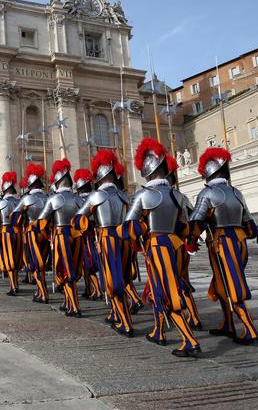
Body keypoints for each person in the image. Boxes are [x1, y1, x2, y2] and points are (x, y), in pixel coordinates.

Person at [123, 138, 201, 357]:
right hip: (176, 246)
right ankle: (158, 330)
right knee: (159, 288)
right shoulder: (178, 195)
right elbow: (189, 226)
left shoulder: (143, 195)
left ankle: (189, 340)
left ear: (147, 170)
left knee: (168, 291)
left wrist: (139, 235)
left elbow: (129, 227)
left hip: (157, 246)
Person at [189, 147, 258, 345]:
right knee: (222, 284)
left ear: (208, 172)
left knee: (231, 285)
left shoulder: (207, 192)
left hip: (222, 243)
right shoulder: (236, 192)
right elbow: (250, 225)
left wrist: (190, 241)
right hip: (239, 242)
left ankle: (250, 330)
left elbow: (196, 222)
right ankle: (228, 323)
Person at [75, 150, 133, 337]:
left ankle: (126, 322)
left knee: (111, 280)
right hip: (124, 239)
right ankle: (116, 313)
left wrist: (89, 229)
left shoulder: (96, 196)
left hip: (106, 238)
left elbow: (79, 219)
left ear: (99, 177)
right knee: (122, 278)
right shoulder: (124, 196)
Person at [38, 159, 82, 317]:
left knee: (65, 271)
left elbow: (42, 222)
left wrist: (47, 236)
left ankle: (75, 306)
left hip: (61, 235)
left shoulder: (53, 199)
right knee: (73, 270)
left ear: (57, 182)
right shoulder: (78, 199)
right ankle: (68, 302)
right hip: (77, 235)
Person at [166, 154, 202, 329]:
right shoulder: (182, 197)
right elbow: (192, 218)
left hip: (165, 245)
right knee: (183, 279)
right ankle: (194, 316)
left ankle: (175, 315)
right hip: (181, 244)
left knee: (167, 281)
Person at [12, 163, 50, 304]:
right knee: (42, 264)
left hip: (32, 233)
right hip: (46, 233)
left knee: (34, 263)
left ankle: (44, 293)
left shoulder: (27, 199)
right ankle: (40, 291)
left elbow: (15, 218)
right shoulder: (48, 198)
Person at [0, 171, 22, 295]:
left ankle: (13, 286)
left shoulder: (1, 203)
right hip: (18, 232)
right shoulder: (19, 202)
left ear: (4, 189)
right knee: (16, 258)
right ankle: (16, 283)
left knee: (9, 259)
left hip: (6, 232)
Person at [73, 169, 102, 301]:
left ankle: (96, 289)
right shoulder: (94, 196)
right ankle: (89, 287)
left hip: (86, 234)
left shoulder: (80, 199)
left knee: (87, 262)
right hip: (95, 231)